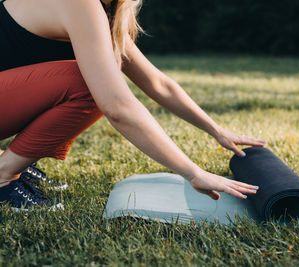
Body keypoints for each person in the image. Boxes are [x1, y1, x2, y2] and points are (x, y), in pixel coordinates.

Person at [0, 0, 264, 211]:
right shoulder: (79, 3)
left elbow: (157, 83)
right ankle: (4, 175)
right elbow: (117, 105)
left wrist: (216, 130)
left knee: (94, 80)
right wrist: (192, 172)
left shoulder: (102, 11)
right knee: (89, 85)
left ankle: (14, 164)